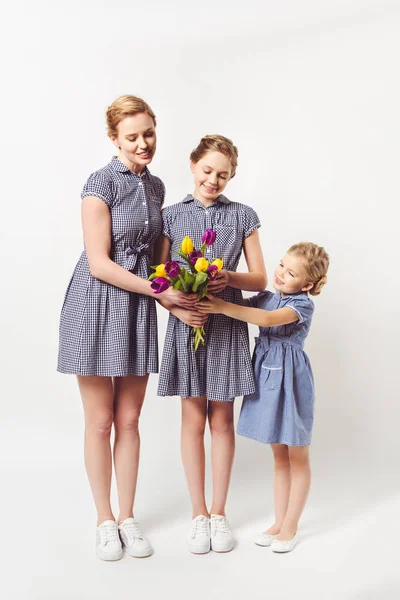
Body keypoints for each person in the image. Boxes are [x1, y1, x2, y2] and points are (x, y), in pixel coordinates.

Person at [57, 95, 178, 561]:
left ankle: (129, 517)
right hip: (95, 304)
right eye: (132, 137)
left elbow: (159, 259)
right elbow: (99, 263)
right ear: (114, 139)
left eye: (149, 133)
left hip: (138, 306)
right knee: (101, 420)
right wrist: (157, 290)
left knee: (130, 419)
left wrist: (178, 288)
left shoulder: (158, 186)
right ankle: (104, 520)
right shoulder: (99, 183)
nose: (143, 143)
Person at [157, 135, 267, 554]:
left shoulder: (243, 215)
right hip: (188, 321)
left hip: (226, 321)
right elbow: (160, 276)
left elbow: (258, 277)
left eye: (222, 174)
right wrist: (179, 306)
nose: (213, 179)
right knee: (192, 419)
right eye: (207, 171)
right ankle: (197, 514)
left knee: (221, 420)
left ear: (232, 175)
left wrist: (226, 277)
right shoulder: (170, 216)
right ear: (192, 165)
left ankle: (219, 513)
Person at [197, 242, 329, 553]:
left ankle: (292, 525)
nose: (281, 273)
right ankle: (279, 521)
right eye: (281, 265)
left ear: (308, 284)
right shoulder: (268, 297)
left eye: (291, 272)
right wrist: (208, 289)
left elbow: (266, 320)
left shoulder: (302, 305)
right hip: (268, 379)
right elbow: (245, 304)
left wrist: (222, 307)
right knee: (278, 456)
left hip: (291, 381)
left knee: (297, 455)